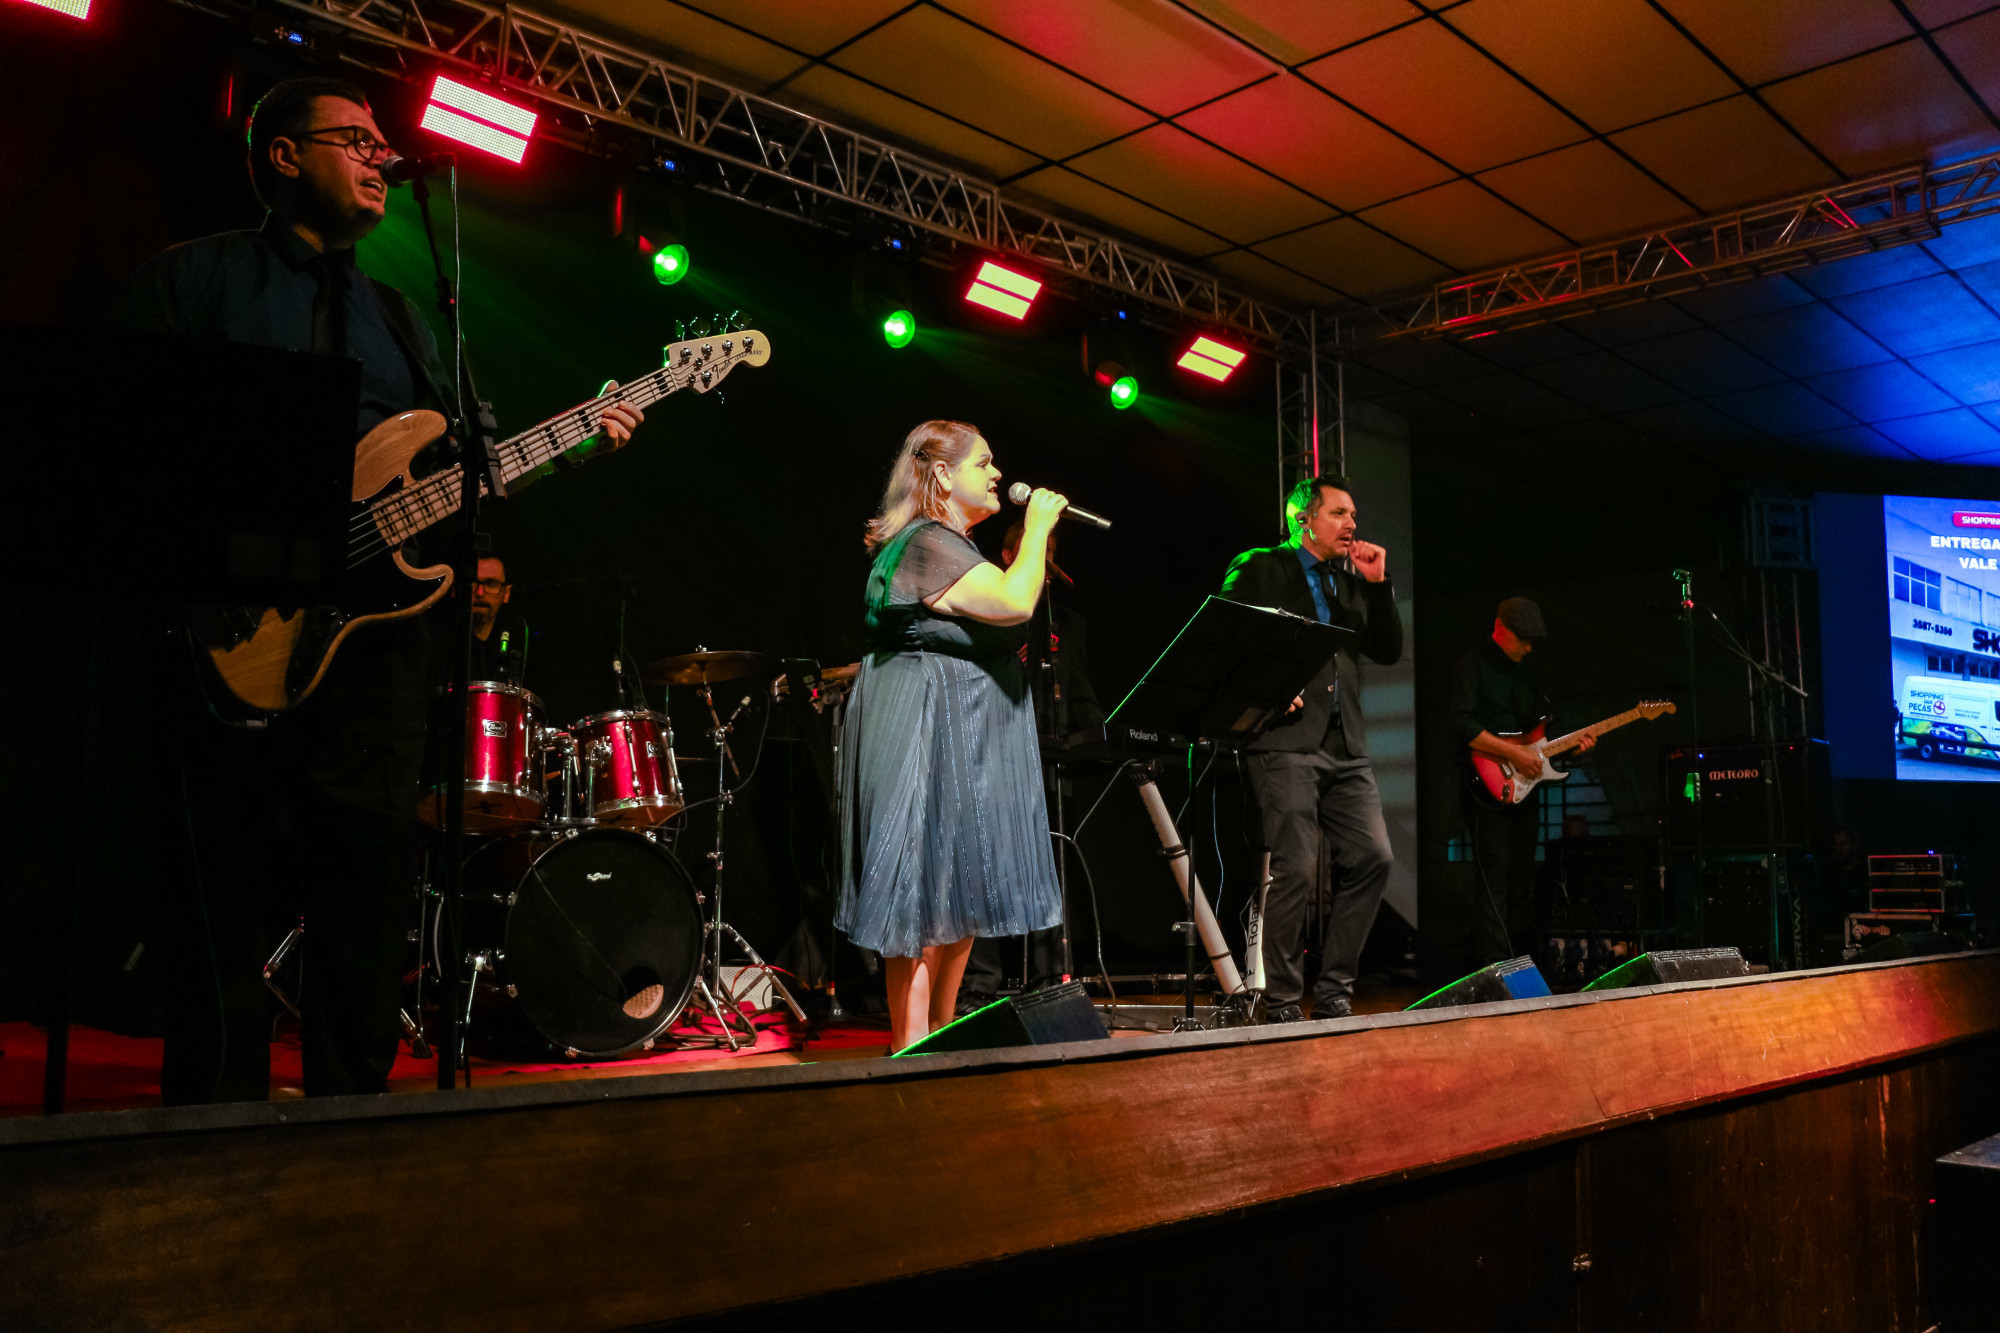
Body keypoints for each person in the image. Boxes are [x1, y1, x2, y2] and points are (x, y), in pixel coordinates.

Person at [122, 76, 640, 1101]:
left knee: (364, 890)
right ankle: (210, 1120)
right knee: (219, 888)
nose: (381, 157)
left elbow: (463, 472)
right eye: (355, 140)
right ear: (284, 156)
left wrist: (572, 446)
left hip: (373, 656)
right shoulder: (195, 280)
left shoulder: (404, 319)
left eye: (381, 142)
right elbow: (124, 437)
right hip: (230, 628)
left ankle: (351, 1111)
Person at [838, 421, 1068, 1052]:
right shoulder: (926, 543)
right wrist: (1038, 529)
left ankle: (940, 1029)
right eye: (984, 463)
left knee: (957, 882)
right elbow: (1013, 602)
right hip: (923, 729)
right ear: (941, 474)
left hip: (962, 735)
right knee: (917, 886)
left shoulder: (950, 546)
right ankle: (911, 1045)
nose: (998, 474)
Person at [1219, 473, 1403, 1023]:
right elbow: (1228, 632)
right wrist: (1269, 686)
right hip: (1286, 742)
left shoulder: (1349, 584)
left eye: (1354, 515)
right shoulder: (1262, 566)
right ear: (1303, 518)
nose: (1352, 524)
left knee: (1374, 856)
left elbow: (1387, 650)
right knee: (1295, 869)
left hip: (1347, 745)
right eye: (1339, 513)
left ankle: (1335, 991)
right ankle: (1279, 1000)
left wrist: (1377, 583)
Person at [954, 522, 1104, 1014]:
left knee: (1046, 871)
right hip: (993, 756)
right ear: (1006, 555)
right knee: (985, 871)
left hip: (1048, 758)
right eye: (1035, 545)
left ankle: (1049, 980)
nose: (1045, 556)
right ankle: (979, 985)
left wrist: (1100, 732)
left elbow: (1080, 690)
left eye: (1050, 549)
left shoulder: (1067, 623)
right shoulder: (990, 607)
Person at [1446, 597, 1594, 967]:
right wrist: (1512, 755)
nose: (1528, 647)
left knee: (1521, 882)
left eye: (1533, 641)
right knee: (1494, 882)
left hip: (1525, 789)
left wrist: (1573, 749)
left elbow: (1537, 739)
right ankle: (1496, 968)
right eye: (1522, 639)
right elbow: (1460, 722)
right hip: (1486, 786)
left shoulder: (1524, 675)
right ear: (1499, 628)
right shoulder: (1471, 664)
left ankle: (1519, 962)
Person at [467, 553, 528, 685]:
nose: (479, 593)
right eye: (472, 582)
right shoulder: (435, 643)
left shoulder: (516, 645)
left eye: (491, 584)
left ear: (506, 593)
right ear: (454, 588)